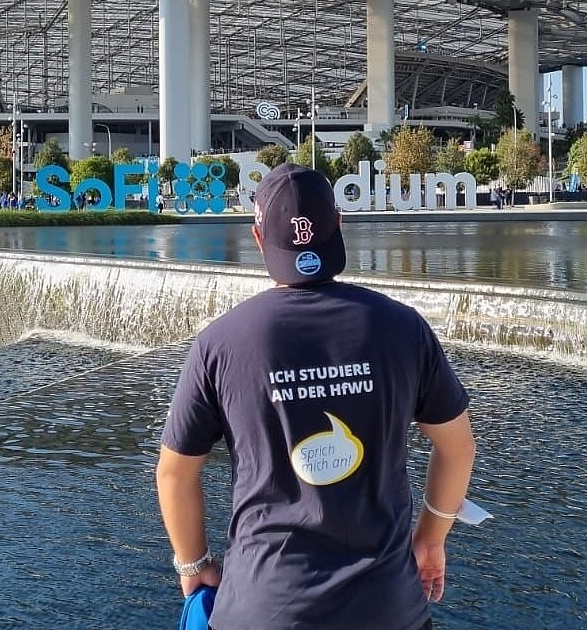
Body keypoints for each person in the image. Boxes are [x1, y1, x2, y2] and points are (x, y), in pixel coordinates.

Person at [157, 163, 476, 630]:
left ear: (259, 237)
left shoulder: (220, 343)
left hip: (262, 608)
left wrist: (194, 563)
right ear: (340, 224)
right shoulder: (404, 328)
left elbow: (174, 472)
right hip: (386, 609)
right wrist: (430, 539)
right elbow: (458, 448)